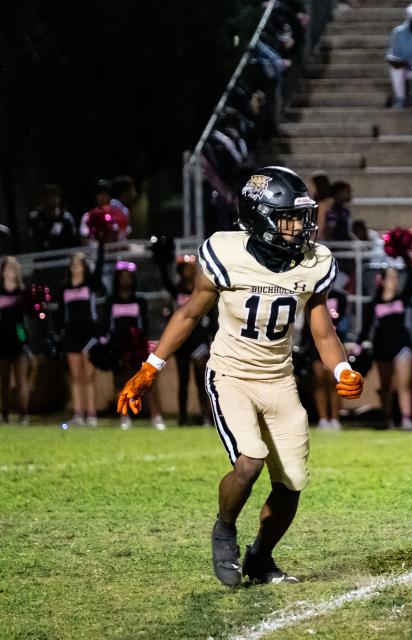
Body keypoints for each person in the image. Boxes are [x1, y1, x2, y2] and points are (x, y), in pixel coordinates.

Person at [117, 166, 363, 586]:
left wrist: (342, 368)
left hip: (280, 380)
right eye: (289, 217)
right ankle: (225, 530)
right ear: (260, 218)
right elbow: (191, 312)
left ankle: (260, 558)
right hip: (231, 374)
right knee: (250, 461)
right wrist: (150, 367)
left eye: (302, 216)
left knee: (293, 482)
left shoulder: (314, 262)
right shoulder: (224, 253)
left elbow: (323, 329)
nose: (301, 227)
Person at [358, 257, 412, 430]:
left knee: (403, 384)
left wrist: (406, 256)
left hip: (401, 344)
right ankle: (387, 418)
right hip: (382, 346)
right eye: (391, 278)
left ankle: (407, 418)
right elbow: (365, 329)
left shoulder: (402, 299)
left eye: (396, 278)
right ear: (382, 281)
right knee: (385, 386)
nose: (395, 281)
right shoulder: (374, 303)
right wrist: (357, 349)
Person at [157, 253, 214, 427]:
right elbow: (166, 281)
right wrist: (162, 262)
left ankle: (206, 416)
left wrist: (209, 339)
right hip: (182, 341)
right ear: (180, 271)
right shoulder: (177, 290)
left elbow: (212, 317)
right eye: (185, 268)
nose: (189, 272)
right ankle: (182, 417)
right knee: (183, 379)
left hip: (199, 340)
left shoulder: (201, 290)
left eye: (191, 268)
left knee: (201, 379)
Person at [107, 261, 164, 431]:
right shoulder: (111, 301)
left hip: (137, 347)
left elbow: (145, 325)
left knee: (147, 381)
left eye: (128, 277)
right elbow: (106, 325)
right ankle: (124, 416)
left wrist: (145, 345)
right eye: (122, 277)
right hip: (119, 346)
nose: (125, 281)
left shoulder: (140, 300)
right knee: (121, 382)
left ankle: (156, 415)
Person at [59, 241, 105, 426]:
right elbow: (62, 314)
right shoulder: (64, 287)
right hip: (71, 334)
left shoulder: (90, 284)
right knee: (75, 376)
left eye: (78, 264)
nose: (75, 267)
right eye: (73, 264)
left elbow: (100, 268)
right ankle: (78, 414)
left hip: (89, 335)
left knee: (89, 376)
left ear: (84, 267)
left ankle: (91, 414)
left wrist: (101, 244)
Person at [304, 286, 350, 430]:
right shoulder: (311, 294)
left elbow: (341, 323)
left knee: (334, 380)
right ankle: (323, 418)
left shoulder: (340, 296)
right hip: (315, 342)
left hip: (333, 340)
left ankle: (335, 418)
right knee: (319, 380)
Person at [0, 257, 31, 424]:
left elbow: (30, 317)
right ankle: (4, 413)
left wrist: (24, 339)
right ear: (3, 271)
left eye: (14, 268)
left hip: (19, 338)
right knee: (3, 379)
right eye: (7, 268)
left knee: (21, 379)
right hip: (1, 339)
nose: (10, 271)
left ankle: (23, 414)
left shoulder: (23, 292)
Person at [27, 184, 80, 252]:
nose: (51, 200)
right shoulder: (34, 218)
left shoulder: (66, 218)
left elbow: (73, 240)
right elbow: (33, 240)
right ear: (43, 200)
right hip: (42, 257)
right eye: (48, 197)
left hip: (63, 256)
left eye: (54, 196)